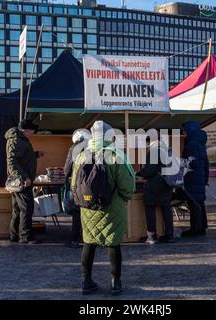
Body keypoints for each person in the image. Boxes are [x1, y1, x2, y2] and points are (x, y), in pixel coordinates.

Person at [71, 121, 135, 295]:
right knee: (113, 244)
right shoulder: (116, 155)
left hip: (88, 207)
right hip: (113, 208)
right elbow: (127, 185)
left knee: (89, 243)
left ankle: (86, 281)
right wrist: (124, 198)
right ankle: (116, 283)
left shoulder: (81, 156)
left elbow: (73, 185)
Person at [6, 119, 45, 244]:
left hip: (20, 180)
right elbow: (12, 162)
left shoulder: (20, 139)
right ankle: (25, 236)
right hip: (22, 181)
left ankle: (14, 235)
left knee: (18, 209)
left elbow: (23, 157)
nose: (33, 133)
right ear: (26, 130)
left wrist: (36, 154)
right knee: (26, 208)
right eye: (32, 130)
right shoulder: (16, 141)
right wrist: (24, 177)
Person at [138, 140, 175, 244]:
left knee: (150, 207)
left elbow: (150, 170)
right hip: (167, 184)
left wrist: (139, 173)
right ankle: (169, 235)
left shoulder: (154, 151)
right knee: (166, 208)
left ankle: (152, 236)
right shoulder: (168, 151)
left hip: (154, 185)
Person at [181, 121, 209, 237]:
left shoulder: (191, 144)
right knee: (199, 203)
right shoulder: (200, 143)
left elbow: (191, 162)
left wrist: (181, 163)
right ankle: (202, 227)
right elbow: (206, 163)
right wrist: (206, 178)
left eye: (185, 130)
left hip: (192, 177)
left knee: (194, 204)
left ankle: (195, 229)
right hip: (200, 176)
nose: (184, 133)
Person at [63, 129, 91, 249]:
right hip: (92, 185)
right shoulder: (94, 148)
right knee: (90, 210)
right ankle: (90, 238)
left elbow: (67, 170)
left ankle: (75, 239)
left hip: (79, 186)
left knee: (77, 211)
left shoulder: (74, 149)